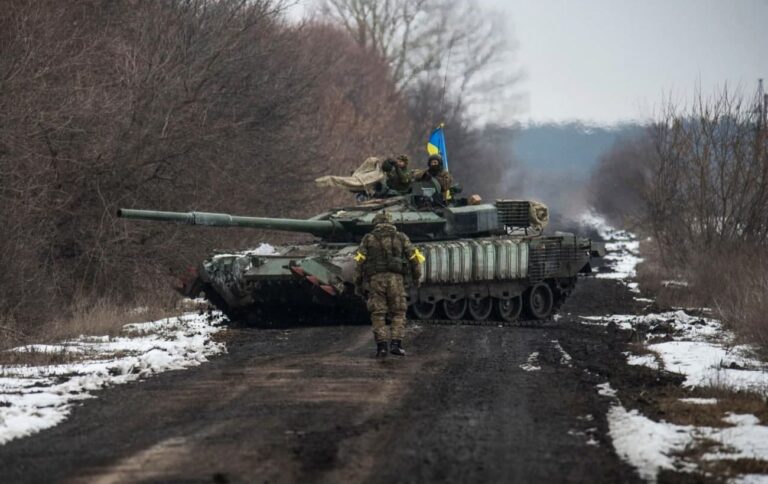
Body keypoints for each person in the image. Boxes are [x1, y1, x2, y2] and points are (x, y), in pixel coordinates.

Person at [354, 211, 424, 357]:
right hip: (396, 280)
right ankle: (396, 345)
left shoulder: (368, 239)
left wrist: (358, 283)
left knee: (378, 314)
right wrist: (417, 277)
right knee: (398, 312)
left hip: (376, 280)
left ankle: (382, 347)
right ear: (391, 223)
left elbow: (359, 261)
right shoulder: (401, 237)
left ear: (376, 223)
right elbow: (414, 258)